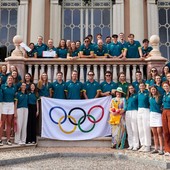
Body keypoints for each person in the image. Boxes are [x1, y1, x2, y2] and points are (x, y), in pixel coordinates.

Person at [0, 75, 17, 145]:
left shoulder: (14, 87)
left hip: (11, 104)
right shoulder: (3, 86)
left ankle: (8, 139)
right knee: (2, 122)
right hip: (4, 104)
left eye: (11, 78)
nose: (10, 79)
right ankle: (0, 139)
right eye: (9, 78)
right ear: (7, 80)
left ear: (13, 80)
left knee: (9, 122)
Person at [149, 85, 163, 155]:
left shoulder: (159, 97)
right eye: (152, 89)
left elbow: (162, 105)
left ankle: (161, 149)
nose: (153, 91)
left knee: (159, 133)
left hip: (158, 115)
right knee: (154, 134)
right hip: (152, 115)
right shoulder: (150, 97)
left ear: (156, 90)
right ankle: (156, 148)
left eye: (154, 89)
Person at [137, 82, 151, 152]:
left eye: (143, 86)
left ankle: (148, 145)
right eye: (140, 86)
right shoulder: (138, 93)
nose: (141, 87)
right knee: (140, 128)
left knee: (146, 128)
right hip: (139, 110)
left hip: (146, 109)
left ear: (145, 86)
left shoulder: (147, 93)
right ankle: (143, 144)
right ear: (139, 87)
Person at [125, 85, 139, 151]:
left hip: (134, 111)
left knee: (134, 128)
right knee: (129, 129)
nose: (131, 89)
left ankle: (136, 145)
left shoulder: (137, 95)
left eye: (132, 88)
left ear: (134, 89)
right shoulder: (128, 97)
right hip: (128, 112)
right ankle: (131, 144)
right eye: (129, 88)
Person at [162, 81, 170, 156]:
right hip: (164, 112)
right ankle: (167, 149)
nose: (166, 87)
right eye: (164, 86)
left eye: (167, 86)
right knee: (166, 131)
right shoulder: (164, 95)